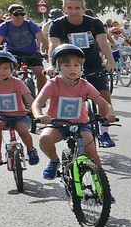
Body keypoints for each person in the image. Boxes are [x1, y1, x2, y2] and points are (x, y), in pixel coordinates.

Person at [34, 43, 117, 178]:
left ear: (81, 67)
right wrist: (39, 115)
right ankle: (54, 161)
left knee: (90, 151)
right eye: (66, 65)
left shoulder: (85, 85)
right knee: (45, 139)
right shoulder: (53, 84)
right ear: (58, 67)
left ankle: (101, 182)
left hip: (80, 124)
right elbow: (37, 103)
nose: (72, 69)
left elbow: (103, 103)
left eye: (76, 65)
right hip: (57, 123)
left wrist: (110, 113)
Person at [46, 0, 117, 147]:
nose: (74, 11)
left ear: (84, 9)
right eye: (70, 8)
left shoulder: (95, 23)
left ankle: (104, 133)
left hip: (93, 64)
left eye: (77, 8)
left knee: (104, 95)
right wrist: (52, 64)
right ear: (64, 9)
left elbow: (103, 44)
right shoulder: (57, 24)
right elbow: (53, 45)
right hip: (68, 66)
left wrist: (110, 61)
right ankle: (65, 127)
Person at [0, 51, 38, 166]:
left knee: (23, 130)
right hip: (0, 114)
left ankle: (31, 150)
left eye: (6, 68)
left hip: (19, 114)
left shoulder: (18, 82)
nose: (2, 71)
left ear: (12, 69)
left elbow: (29, 98)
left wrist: (36, 112)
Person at [0, 4, 49, 89]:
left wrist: (49, 53)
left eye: (22, 14)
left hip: (32, 52)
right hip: (12, 53)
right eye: (16, 14)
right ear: (10, 15)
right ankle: (13, 92)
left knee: (41, 73)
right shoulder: (5, 26)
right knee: (10, 74)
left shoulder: (30, 24)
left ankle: (42, 96)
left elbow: (43, 39)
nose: (20, 17)